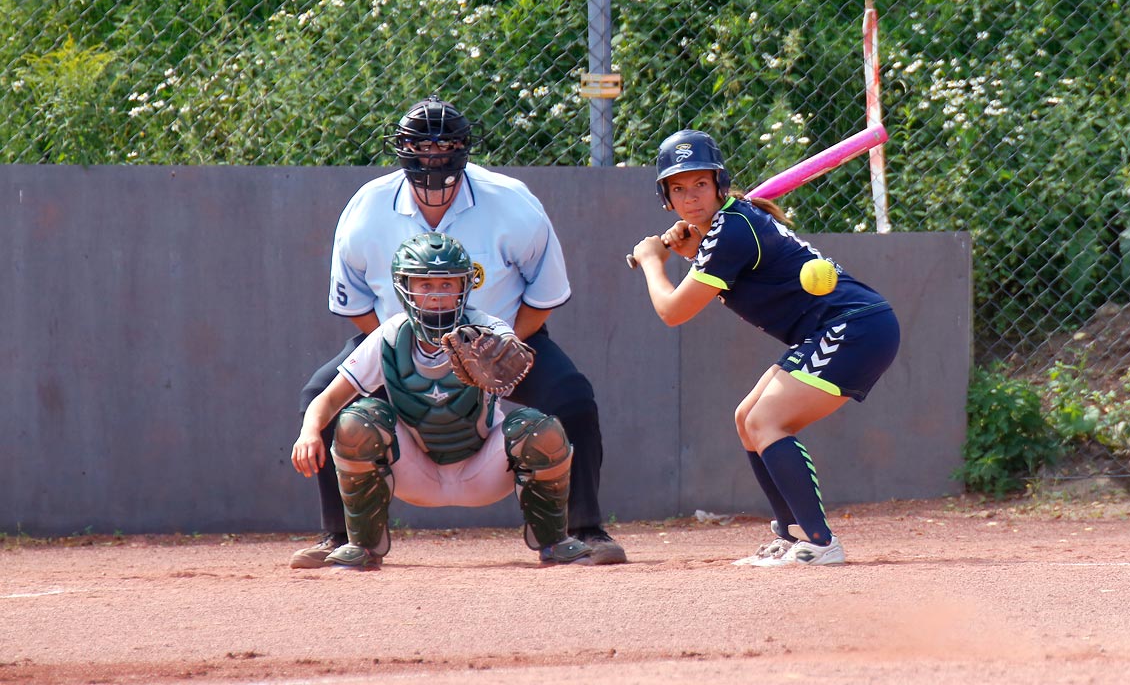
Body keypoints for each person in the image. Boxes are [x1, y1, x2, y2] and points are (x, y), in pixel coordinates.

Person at [290, 97, 625, 567]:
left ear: (463, 153)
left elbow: (542, 296)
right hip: (400, 339)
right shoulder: (366, 210)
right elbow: (360, 307)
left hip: (501, 339)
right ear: (402, 152)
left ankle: (584, 528)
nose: (432, 159)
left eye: (444, 147)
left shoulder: (512, 203)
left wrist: (497, 351)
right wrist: (402, 350)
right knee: (320, 395)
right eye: (419, 149)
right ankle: (340, 534)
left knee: (571, 398)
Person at [630, 130, 901, 566]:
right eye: (678, 188)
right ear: (666, 197)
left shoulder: (732, 230)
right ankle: (793, 534)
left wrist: (650, 260)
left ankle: (819, 542)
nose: (691, 197)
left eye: (700, 184)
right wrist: (693, 249)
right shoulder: (730, 225)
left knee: (767, 421)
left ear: (720, 184)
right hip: (836, 329)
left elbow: (673, 311)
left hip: (854, 327)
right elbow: (730, 265)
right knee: (747, 419)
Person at [292, 231, 597, 568]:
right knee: (357, 420)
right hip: (415, 470)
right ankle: (362, 545)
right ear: (404, 287)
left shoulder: (485, 326)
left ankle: (554, 541)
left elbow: (516, 358)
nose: (437, 295)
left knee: (540, 428)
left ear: (464, 287)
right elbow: (329, 398)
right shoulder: (390, 335)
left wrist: (499, 358)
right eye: (425, 285)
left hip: (482, 468)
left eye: (447, 284)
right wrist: (309, 432)